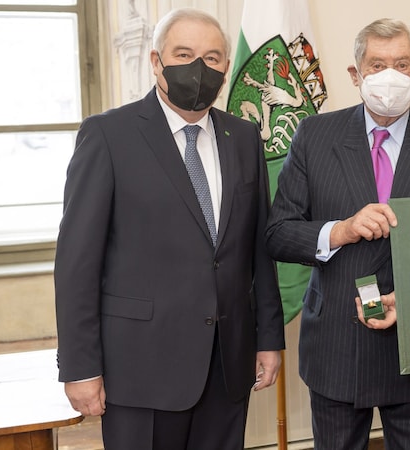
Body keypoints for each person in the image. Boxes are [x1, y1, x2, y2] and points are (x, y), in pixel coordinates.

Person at [54, 8, 284, 450]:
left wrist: (268, 339)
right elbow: (77, 264)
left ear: (226, 69)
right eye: (184, 53)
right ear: (157, 62)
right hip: (140, 368)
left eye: (213, 57)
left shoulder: (245, 137)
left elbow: (257, 249)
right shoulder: (108, 135)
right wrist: (81, 367)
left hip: (227, 365)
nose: (200, 67)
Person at [265, 18, 410, 449]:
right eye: (377, 64)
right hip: (336, 347)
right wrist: (340, 230)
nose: (390, 76)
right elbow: (278, 233)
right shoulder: (313, 135)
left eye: (402, 64)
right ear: (355, 75)